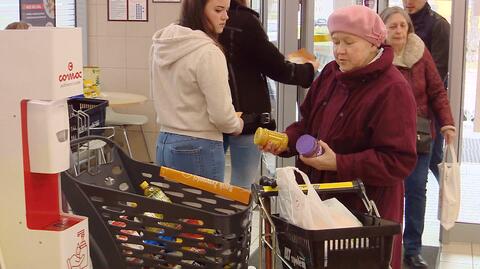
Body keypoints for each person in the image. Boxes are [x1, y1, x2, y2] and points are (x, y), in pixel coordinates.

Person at [260, 5, 417, 269]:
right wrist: (287, 141)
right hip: (319, 205)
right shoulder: (331, 75)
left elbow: (398, 161)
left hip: (364, 214)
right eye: (335, 42)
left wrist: (339, 163)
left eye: (348, 42)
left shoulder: (393, 89)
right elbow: (308, 125)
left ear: (372, 44)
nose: (339, 50)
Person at [380, 7, 456, 268]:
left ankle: (412, 249)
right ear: (382, 30)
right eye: (393, 26)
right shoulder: (377, 57)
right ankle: (385, 246)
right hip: (385, 138)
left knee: (415, 191)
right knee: (387, 193)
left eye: (403, 25)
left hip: (419, 135)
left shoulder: (420, 53)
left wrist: (447, 123)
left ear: (409, 29)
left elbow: (436, 90)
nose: (399, 30)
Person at [218, 0, 319, 189]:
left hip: (212, 116)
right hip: (247, 117)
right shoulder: (244, 20)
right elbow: (277, 67)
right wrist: (308, 70)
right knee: (242, 185)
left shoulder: (198, 21)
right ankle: (237, 218)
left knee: (207, 185)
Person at [151, 0, 243, 182]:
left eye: (226, 10)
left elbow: (156, 94)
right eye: (218, 10)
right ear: (198, 10)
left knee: (171, 209)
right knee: (203, 210)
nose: (226, 16)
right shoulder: (208, 52)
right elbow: (221, 115)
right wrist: (236, 124)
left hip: (164, 142)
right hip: (199, 145)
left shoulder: (160, 45)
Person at [403, 0, 451, 183]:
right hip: (402, 109)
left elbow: (438, 75)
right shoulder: (399, 21)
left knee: (433, 159)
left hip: (428, 110)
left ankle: (447, 201)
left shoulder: (438, 25)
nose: (409, 1)